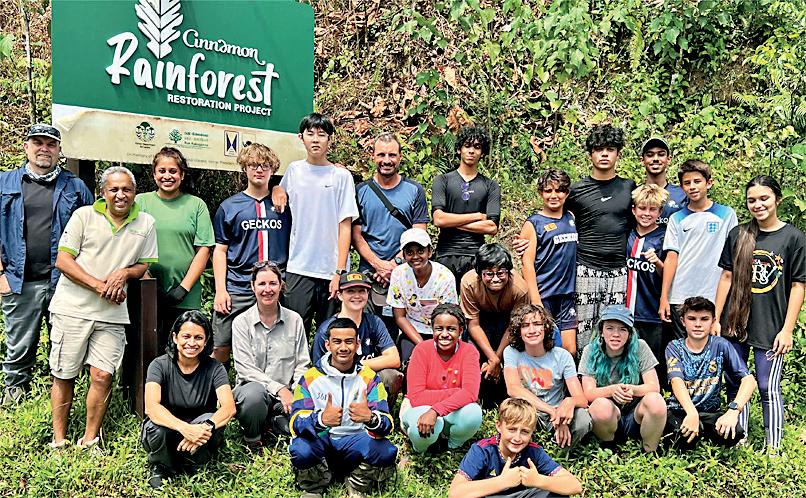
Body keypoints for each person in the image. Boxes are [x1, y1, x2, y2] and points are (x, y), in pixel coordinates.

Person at [48, 166, 158, 451]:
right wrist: (99, 286)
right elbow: (63, 261)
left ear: (135, 193)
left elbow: (144, 264)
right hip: (73, 308)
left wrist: (125, 273)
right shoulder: (84, 216)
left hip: (112, 314)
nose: (121, 195)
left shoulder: (145, 223)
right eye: (114, 189)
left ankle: (90, 439)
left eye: (127, 190)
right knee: (64, 373)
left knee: (103, 375)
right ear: (103, 192)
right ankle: (59, 440)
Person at [0, 123, 93, 405]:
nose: (44, 149)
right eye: (38, 143)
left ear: (59, 151)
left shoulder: (75, 187)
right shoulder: (5, 183)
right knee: (19, 343)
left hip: (64, 282)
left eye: (51, 144)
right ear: (26, 147)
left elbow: (92, 231)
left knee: (64, 342)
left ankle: (62, 399)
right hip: (19, 280)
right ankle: (15, 394)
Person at [714, 175, 805, 451]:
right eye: (751, 200)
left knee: (767, 386)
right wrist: (716, 319)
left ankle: (773, 448)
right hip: (736, 320)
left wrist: (787, 330)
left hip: (772, 324)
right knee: (736, 381)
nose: (758, 205)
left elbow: (799, 286)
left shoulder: (794, 238)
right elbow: (726, 277)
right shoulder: (739, 235)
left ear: (777, 199)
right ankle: (739, 438)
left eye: (764, 198)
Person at [289, 317, 397, 498]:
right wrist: (321, 420)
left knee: (386, 451)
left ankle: (357, 483)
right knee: (300, 449)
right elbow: (295, 421)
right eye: (337, 341)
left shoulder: (370, 378)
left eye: (349, 341)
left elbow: (388, 423)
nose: (343, 347)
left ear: (358, 344)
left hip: (355, 440)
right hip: (322, 440)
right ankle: (314, 486)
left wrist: (370, 418)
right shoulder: (310, 378)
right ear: (327, 345)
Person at [280, 113, 359, 334]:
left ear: (330, 140)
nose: (316, 139)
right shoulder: (294, 171)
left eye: (321, 135)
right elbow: (279, 193)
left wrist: (339, 271)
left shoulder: (341, 176)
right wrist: (277, 189)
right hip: (299, 267)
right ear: (301, 137)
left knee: (332, 333)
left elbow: (346, 225)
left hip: (330, 270)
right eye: (310, 134)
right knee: (295, 333)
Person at [212, 143, 291, 363]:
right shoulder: (229, 207)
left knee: (277, 347)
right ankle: (220, 395)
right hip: (238, 285)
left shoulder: (283, 205)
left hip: (276, 285)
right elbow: (220, 250)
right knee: (221, 346)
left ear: (272, 170)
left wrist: (277, 188)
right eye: (253, 165)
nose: (259, 170)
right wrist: (220, 290)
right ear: (244, 168)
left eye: (265, 165)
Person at [141, 311, 236, 488]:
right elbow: (152, 407)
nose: (192, 343)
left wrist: (204, 428)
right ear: (175, 337)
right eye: (186, 336)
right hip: (168, 430)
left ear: (206, 341)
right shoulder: (159, 365)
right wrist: (185, 429)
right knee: (156, 427)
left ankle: (195, 463)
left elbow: (229, 408)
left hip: (200, 431)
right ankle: (161, 466)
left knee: (210, 418)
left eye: (199, 337)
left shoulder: (215, 368)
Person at [565, 125, 636, 352]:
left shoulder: (629, 188)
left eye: (610, 149)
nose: (604, 154)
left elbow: (645, 220)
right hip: (586, 268)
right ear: (590, 154)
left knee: (615, 330)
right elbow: (556, 219)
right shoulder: (576, 191)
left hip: (618, 270)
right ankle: (583, 380)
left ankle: (611, 381)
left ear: (618, 154)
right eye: (598, 149)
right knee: (585, 331)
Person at [136, 147, 214, 351]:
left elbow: (204, 249)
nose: (167, 176)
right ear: (154, 174)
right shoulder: (141, 202)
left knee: (184, 351)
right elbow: (132, 245)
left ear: (182, 174)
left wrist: (183, 289)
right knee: (148, 350)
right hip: (147, 291)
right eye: (162, 171)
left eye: (173, 171)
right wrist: (149, 282)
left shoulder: (196, 205)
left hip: (185, 295)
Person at [352, 133, 429, 337]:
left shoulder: (414, 190)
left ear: (400, 157)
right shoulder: (360, 191)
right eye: (382, 155)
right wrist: (379, 265)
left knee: (400, 331)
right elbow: (356, 235)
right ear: (373, 157)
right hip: (369, 274)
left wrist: (394, 265)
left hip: (406, 272)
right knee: (366, 332)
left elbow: (419, 232)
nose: (387, 160)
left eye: (392, 155)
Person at [231, 261, 310, 451]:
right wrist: (280, 389)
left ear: (281, 285)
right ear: (253, 286)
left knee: (306, 424)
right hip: (254, 393)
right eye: (262, 284)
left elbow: (302, 363)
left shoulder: (295, 320)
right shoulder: (241, 323)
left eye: (273, 283)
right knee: (254, 396)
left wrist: (297, 395)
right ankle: (253, 438)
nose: (268, 289)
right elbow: (246, 369)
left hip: (287, 396)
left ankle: (274, 423)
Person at [659, 160, 738, 340]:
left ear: (709, 183)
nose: (692, 187)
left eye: (697, 181)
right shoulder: (676, 218)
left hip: (713, 296)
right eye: (687, 183)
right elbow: (671, 258)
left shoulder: (727, 215)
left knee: (712, 353)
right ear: (681, 187)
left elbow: (732, 262)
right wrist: (664, 297)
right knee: (683, 350)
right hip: (680, 296)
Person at [665, 296, 757, 449]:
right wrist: (691, 413)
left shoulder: (721, 345)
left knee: (734, 432)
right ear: (682, 321)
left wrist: (733, 411)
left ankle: (705, 433)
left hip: (711, 412)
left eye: (704, 319)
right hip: (680, 410)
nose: (698, 324)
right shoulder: (675, 347)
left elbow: (749, 381)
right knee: (683, 437)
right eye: (692, 319)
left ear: (713, 321)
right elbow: (676, 381)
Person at [449, 397, 583, 498]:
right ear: (499, 426)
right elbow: (455, 493)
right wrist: (502, 481)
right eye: (512, 429)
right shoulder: (482, 450)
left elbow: (575, 485)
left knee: (557, 493)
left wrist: (538, 480)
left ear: (532, 432)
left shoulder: (534, 451)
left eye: (525, 432)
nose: (517, 438)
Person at [579, 305, 667, 452]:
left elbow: (653, 387)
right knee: (600, 406)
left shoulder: (640, 346)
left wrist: (630, 389)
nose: (616, 334)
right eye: (610, 328)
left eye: (622, 329)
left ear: (630, 334)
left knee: (656, 401)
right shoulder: (590, 350)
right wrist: (613, 390)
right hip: (609, 416)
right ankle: (610, 446)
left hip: (635, 414)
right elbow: (588, 393)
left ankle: (650, 451)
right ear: (601, 331)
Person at [503, 304, 591, 449]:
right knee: (511, 411)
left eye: (537, 324)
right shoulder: (512, 352)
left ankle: (562, 448)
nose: (532, 330)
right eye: (525, 325)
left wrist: (568, 403)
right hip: (529, 413)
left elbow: (581, 399)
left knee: (583, 418)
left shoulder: (562, 356)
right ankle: (530, 448)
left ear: (546, 328)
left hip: (558, 414)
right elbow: (513, 389)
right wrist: (551, 411)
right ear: (519, 331)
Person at [401, 303, 482, 453]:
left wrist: (436, 410)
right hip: (419, 409)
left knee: (474, 413)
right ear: (432, 330)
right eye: (439, 328)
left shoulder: (469, 352)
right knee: (429, 421)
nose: (445, 334)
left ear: (461, 331)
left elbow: (471, 393)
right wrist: (458, 392)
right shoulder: (421, 350)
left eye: (451, 329)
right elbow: (417, 397)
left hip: (449, 411)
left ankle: (452, 446)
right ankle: (420, 450)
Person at [311, 272, 402, 405]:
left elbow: (394, 359)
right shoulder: (327, 329)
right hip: (336, 383)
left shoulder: (374, 322)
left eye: (362, 291)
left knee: (391, 376)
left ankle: (380, 418)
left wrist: (353, 366)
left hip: (365, 379)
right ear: (340, 295)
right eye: (350, 291)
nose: (357, 296)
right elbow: (319, 370)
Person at [460, 243, 530, 406]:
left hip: (507, 324)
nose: (496, 279)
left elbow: (514, 326)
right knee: (470, 350)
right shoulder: (469, 283)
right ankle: (472, 396)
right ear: (479, 274)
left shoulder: (519, 289)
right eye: (489, 274)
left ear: (509, 272)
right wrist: (493, 359)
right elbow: (473, 324)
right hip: (479, 322)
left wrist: (497, 359)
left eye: (501, 273)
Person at [518, 169, 578, 356]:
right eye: (548, 191)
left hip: (567, 295)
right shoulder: (533, 223)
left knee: (569, 350)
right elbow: (527, 264)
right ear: (540, 193)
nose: (554, 195)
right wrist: (536, 301)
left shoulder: (571, 217)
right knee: (547, 346)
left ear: (566, 193)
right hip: (545, 295)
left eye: (559, 190)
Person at [432, 126, 501, 289]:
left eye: (477, 147)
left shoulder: (490, 185)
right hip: (445, 254)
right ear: (459, 150)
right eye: (467, 146)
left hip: (477, 255)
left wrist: (452, 221)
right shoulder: (443, 181)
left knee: (475, 309)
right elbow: (439, 219)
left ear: (482, 153)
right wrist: (477, 215)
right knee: (445, 309)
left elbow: (491, 227)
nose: (471, 151)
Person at [387, 227, 458, 363]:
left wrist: (437, 343)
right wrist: (422, 344)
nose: (415, 257)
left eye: (420, 251)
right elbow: (400, 317)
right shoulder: (399, 274)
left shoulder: (445, 277)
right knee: (411, 363)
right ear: (404, 255)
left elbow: (450, 316)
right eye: (410, 252)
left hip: (441, 331)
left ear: (429, 252)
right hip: (412, 329)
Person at [625, 184, 668, 367]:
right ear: (634, 210)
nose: (647, 213)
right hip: (626, 313)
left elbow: (670, 274)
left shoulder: (664, 237)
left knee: (650, 364)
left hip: (650, 313)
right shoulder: (627, 234)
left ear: (660, 212)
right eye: (642, 208)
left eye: (652, 209)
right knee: (627, 361)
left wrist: (658, 262)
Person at [639, 137, 687, 228]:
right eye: (650, 155)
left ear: (669, 159)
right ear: (642, 161)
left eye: (661, 154)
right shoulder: (635, 194)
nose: (656, 159)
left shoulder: (682, 194)